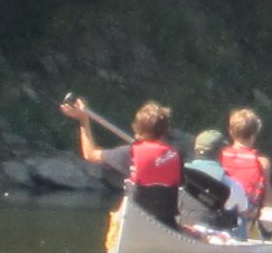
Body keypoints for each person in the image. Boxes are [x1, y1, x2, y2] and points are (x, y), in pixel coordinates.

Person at [59, 95, 198, 229]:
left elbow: (90, 154)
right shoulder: (176, 156)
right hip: (166, 223)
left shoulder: (129, 153)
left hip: (135, 221)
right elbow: (178, 182)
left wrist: (83, 120)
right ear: (165, 131)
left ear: (138, 130)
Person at [214, 106, 272, 241]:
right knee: (271, 212)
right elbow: (268, 199)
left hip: (217, 211)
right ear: (254, 134)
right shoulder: (262, 162)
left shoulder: (219, 156)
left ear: (231, 132)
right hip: (242, 215)